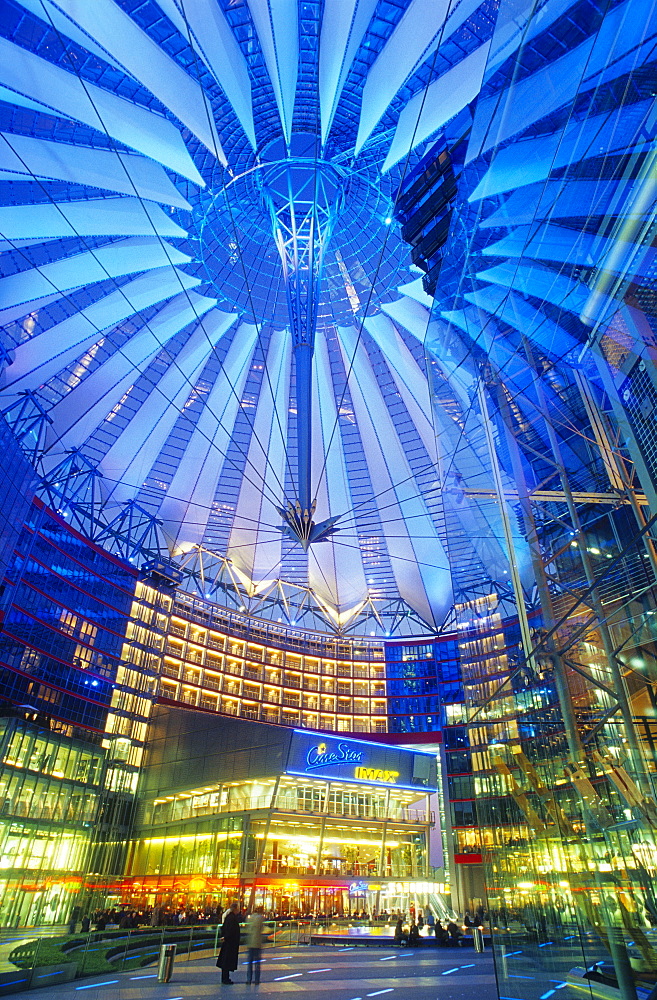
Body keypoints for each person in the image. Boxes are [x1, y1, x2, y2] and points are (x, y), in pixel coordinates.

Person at [217, 902, 241, 985]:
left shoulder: (229, 917)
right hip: (230, 943)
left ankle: (225, 977)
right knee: (227, 961)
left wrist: (224, 936)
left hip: (228, 942)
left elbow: (224, 928)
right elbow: (231, 930)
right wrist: (226, 937)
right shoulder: (232, 918)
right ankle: (225, 978)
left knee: (226, 961)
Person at [244, 906, 265, 985]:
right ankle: (257, 979)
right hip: (257, 942)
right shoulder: (260, 918)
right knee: (257, 963)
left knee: (249, 963)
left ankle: (248, 979)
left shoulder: (249, 918)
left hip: (250, 942)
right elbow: (262, 929)